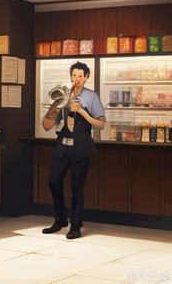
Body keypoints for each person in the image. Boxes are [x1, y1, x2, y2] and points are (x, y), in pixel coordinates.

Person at [41, 61, 106, 239]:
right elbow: (46, 125)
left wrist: (83, 112)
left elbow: (101, 123)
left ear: (86, 78)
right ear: (71, 76)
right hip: (62, 144)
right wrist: (55, 106)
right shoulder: (62, 94)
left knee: (77, 187)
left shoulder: (91, 97)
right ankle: (60, 219)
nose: (76, 78)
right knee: (53, 181)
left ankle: (75, 225)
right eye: (74, 75)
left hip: (82, 145)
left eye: (80, 75)